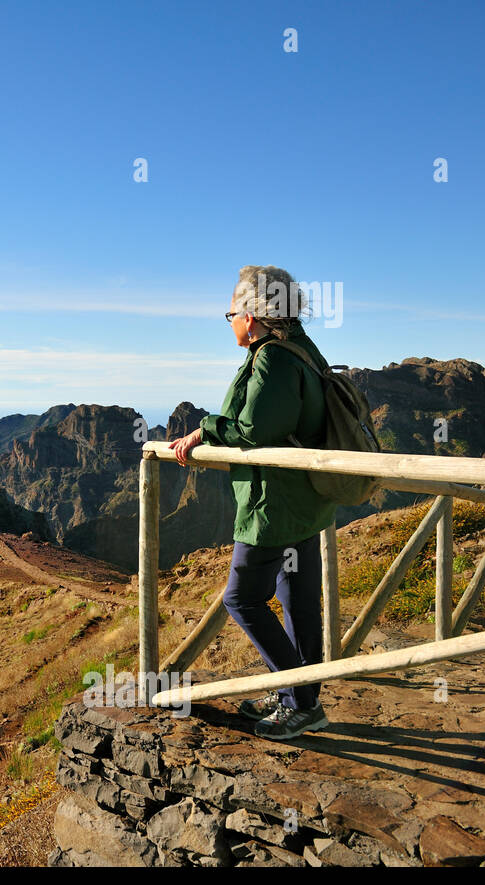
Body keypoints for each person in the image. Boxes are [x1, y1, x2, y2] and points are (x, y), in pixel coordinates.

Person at [168, 265, 336, 741]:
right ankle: (294, 693)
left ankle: (298, 699)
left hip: (273, 505)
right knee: (296, 597)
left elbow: (251, 429)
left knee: (242, 597)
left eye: (230, 313)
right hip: (303, 499)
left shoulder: (274, 360)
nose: (231, 323)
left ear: (252, 313)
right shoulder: (300, 347)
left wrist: (204, 428)